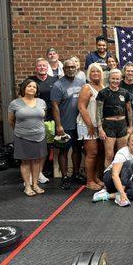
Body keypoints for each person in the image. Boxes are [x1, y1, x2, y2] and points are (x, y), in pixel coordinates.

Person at [8, 79, 47, 196]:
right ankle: (27, 186)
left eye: (34, 87)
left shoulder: (41, 102)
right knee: (25, 162)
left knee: (36, 161)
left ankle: (35, 184)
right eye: (29, 86)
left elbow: (42, 118)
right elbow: (10, 121)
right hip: (22, 136)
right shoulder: (15, 103)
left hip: (39, 135)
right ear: (23, 88)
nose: (32, 88)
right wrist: (21, 130)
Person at [51, 58, 85, 189]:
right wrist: (59, 126)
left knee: (77, 149)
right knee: (64, 151)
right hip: (65, 124)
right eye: (68, 67)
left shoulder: (81, 82)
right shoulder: (58, 85)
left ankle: (76, 173)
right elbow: (55, 107)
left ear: (76, 68)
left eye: (73, 67)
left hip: (79, 124)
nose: (71, 69)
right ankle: (65, 177)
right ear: (63, 69)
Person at [93, 131, 133, 207]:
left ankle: (107, 195)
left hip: (124, 181)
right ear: (128, 142)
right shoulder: (122, 153)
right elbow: (114, 175)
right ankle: (120, 194)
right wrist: (122, 193)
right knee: (130, 163)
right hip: (110, 179)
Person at [29, 57, 57, 182]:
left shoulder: (54, 80)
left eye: (44, 66)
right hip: (34, 119)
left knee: (45, 148)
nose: (42, 68)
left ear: (47, 68)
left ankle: (39, 173)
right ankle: (30, 175)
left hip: (50, 119)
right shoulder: (30, 81)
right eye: (39, 66)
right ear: (36, 68)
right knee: (34, 148)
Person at [96, 69, 132, 168]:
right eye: (113, 79)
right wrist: (100, 129)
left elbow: (129, 110)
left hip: (122, 125)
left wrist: (130, 126)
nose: (115, 81)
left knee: (121, 155)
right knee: (109, 155)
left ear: (121, 79)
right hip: (109, 125)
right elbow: (98, 111)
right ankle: (108, 180)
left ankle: (120, 178)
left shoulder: (125, 92)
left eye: (117, 79)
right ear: (109, 79)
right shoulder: (103, 93)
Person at [77, 63, 104, 190]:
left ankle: (96, 177)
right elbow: (81, 107)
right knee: (92, 153)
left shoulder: (103, 87)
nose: (95, 74)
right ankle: (89, 181)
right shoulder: (87, 87)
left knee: (99, 153)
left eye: (98, 71)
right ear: (89, 73)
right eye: (93, 71)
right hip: (87, 125)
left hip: (99, 126)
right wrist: (89, 125)